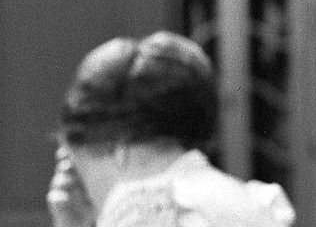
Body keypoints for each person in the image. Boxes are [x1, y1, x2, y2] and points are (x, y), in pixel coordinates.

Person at [47, 31, 296, 227]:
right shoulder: (251, 201)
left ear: (118, 150)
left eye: (79, 169)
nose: (85, 196)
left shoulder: (142, 210)